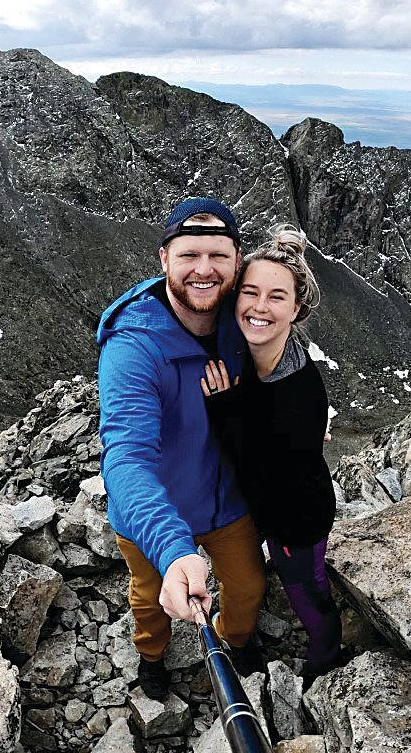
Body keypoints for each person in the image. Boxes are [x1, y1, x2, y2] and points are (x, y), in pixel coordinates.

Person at [97, 197, 267, 700]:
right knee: (151, 597)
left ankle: (236, 640)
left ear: (237, 261)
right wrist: (174, 550)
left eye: (218, 256)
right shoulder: (133, 347)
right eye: (190, 255)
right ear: (164, 259)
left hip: (225, 500)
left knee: (248, 587)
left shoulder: (246, 320)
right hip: (156, 510)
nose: (204, 269)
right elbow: (125, 457)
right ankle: (152, 655)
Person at [201, 224, 342, 688]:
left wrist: (225, 408)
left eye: (277, 297)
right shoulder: (260, 353)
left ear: (296, 309)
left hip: (295, 521)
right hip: (275, 508)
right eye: (250, 292)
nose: (260, 307)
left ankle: (326, 657)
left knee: (306, 590)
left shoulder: (296, 396)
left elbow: (257, 464)